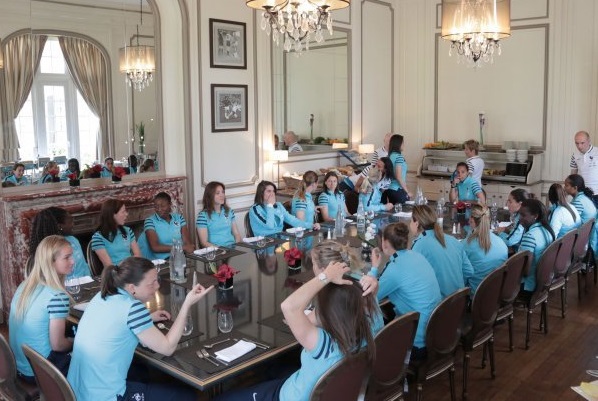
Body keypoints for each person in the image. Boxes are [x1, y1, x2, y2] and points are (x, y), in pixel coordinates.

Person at [213, 240, 380, 401]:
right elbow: (362, 292)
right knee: (272, 368)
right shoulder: (372, 319)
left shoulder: (323, 345)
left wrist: (325, 277)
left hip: (290, 396)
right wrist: (372, 276)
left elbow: (289, 307)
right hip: (333, 391)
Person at [67, 257, 211, 401]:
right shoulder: (133, 309)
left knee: (141, 372)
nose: (157, 287)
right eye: (151, 283)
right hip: (105, 396)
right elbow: (167, 348)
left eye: (157, 280)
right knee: (185, 394)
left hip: (75, 391)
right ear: (132, 288)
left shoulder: (102, 295)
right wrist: (186, 304)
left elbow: (115, 317)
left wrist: (147, 317)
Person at [371, 222, 442, 358]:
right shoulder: (417, 256)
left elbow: (371, 296)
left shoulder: (395, 268)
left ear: (385, 243)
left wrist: (374, 268)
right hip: (434, 332)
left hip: (416, 342)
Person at [9, 236, 74, 381]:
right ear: (51, 262)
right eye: (67, 257)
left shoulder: (25, 285)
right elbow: (58, 345)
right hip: (41, 372)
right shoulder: (57, 296)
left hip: (19, 366)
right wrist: (76, 341)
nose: (73, 261)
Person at [409, 205, 472, 298]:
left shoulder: (419, 245)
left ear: (416, 223)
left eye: (410, 221)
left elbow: (412, 281)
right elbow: (469, 271)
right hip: (459, 303)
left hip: (439, 306)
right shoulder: (453, 240)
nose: (409, 224)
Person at [29, 207, 91, 278]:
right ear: (60, 226)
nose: (73, 224)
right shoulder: (46, 249)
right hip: (62, 287)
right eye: (70, 222)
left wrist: (90, 281)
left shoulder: (73, 240)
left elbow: (84, 266)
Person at [463, 204, 508, 295]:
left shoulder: (466, 245)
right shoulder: (501, 242)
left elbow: (463, 275)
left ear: (471, 220)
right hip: (497, 294)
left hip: (476, 296)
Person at [138, 192, 195, 260]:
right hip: (159, 262)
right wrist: (181, 248)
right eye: (156, 206)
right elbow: (155, 247)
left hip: (177, 258)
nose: (159, 209)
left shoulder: (179, 218)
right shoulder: (150, 221)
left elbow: (187, 244)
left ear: (170, 205)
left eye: (162, 206)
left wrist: (187, 251)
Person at [249, 180, 315, 236]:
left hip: (279, 240)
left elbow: (292, 220)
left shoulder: (278, 205)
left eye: (273, 191)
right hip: (263, 244)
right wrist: (270, 206)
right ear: (261, 193)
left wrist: (311, 225)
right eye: (269, 191)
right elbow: (270, 226)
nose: (272, 194)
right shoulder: (255, 209)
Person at [518, 199, 555, 293]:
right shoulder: (547, 230)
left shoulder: (530, 236)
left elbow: (525, 271)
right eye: (519, 214)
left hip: (529, 286)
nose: (519, 218)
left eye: (523, 215)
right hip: (543, 282)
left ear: (535, 216)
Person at [91, 199, 141, 267]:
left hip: (131, 269)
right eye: (123, 212)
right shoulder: (98, 237)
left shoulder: (128, 231)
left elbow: (138, 255)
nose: (126, 214)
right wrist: (128, 262)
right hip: (115, 274)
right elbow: (109, 266)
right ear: (112, 215)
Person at [196, 181, 242, 247]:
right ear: (210, 196)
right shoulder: (203, 216)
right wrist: (220, 250)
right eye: (217, 193)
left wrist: (236, 246)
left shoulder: (229, 211)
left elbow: (236, 234)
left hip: (232, 250)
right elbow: (204, 242)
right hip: (216, 252)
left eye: (223, 192)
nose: (222, 195)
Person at [564, 174, 598, 251]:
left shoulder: (578, 201)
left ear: (575, 188)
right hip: (588, 236)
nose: (564, 188)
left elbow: (570, 222)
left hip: (584, 239)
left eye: (566, 185)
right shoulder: (584, 197)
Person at [570, 131, 598, 207]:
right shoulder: (575, 155)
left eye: (582, 143)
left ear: (589, 141)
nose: (579, 146)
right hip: (582, 194)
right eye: (577, 143)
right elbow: (573, 176)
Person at [385, 134, 412, 204]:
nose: (404, 145)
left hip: (390, 189)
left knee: (395, 212)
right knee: (403, 212)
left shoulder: (389, 156)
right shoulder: (399, 157)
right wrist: (407, 191)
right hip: (398, 189)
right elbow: (398, 177)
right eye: (403, 143)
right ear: (398, 144)